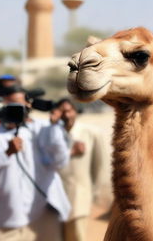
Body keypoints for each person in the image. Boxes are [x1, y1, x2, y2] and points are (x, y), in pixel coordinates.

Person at [0, 86, 70, 241]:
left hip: (42, 218)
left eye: (19, 104)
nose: (14, 109)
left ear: (28, 106)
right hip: (4, 223)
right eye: (9, 105)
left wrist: (54, 126)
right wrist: (6, 154)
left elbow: (59, 162)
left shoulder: (43, 129)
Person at [54, 98, 110, 241]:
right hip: (53, 201)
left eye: (69, 111)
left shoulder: (91, 133)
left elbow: (100, 167)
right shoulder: (50, 135)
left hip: (79, 199)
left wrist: (96, 194)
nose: (66, 115)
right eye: (61, 111)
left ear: (75, 112)